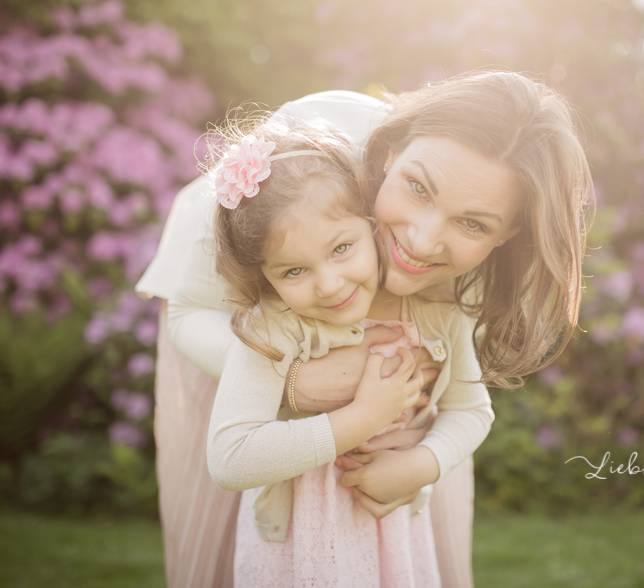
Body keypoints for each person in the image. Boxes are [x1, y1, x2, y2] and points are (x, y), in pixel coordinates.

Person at [136, 71, 592, 588]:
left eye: (473, 224)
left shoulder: (473, 273)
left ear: (506, 236)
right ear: (388, 155)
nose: (421, 240)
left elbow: (460, 401)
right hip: (231, 345)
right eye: (417, 188)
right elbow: (191, 313)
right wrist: (294, 381)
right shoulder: (302, 169)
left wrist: (422, 460)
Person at [203, 121, 493, 586]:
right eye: (294, 270)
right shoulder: (274, 326)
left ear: (372, 224)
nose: (330, 283)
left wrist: (421, 465)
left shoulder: (438, 313)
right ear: (266, 277)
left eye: (342, 248)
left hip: (395, 533)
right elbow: (231, 458)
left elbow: (473, 412)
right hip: (295, 545)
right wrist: (361, 418)